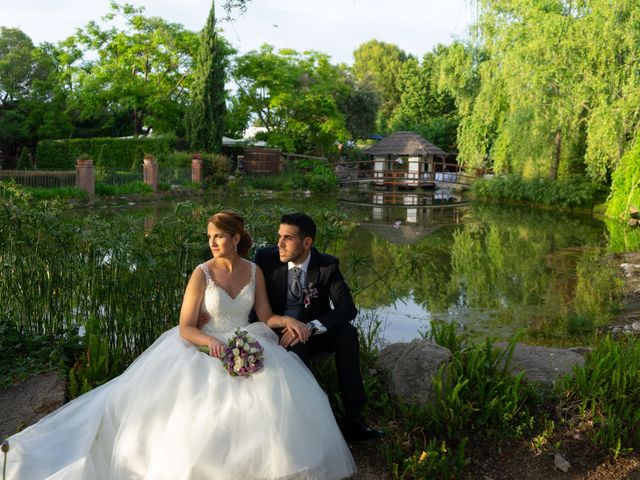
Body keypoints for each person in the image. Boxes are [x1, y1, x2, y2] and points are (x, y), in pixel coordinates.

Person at [4, 210, 356, 480]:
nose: (213, 243)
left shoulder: (254, 270)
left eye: (219, 236)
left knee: (268, 391)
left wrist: (289, 321)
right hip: (203, 345)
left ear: (236, 238)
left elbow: (264, 315)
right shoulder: (201, 273)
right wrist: (212, 346)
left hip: (246, 339)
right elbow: (186, 327)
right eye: (210, 237)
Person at [254, 212, 383, 442]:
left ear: (307, 242)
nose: (279, 244)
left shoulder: (327, 266)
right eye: (279, 236)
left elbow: (347, 309)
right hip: (276, 330)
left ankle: (354, 420)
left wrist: (310, 327)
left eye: (287, 238)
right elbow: (254, 304)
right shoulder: (265, 259)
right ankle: (302, 427)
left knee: (347, 334)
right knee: (296, 347)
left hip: (312, 332)